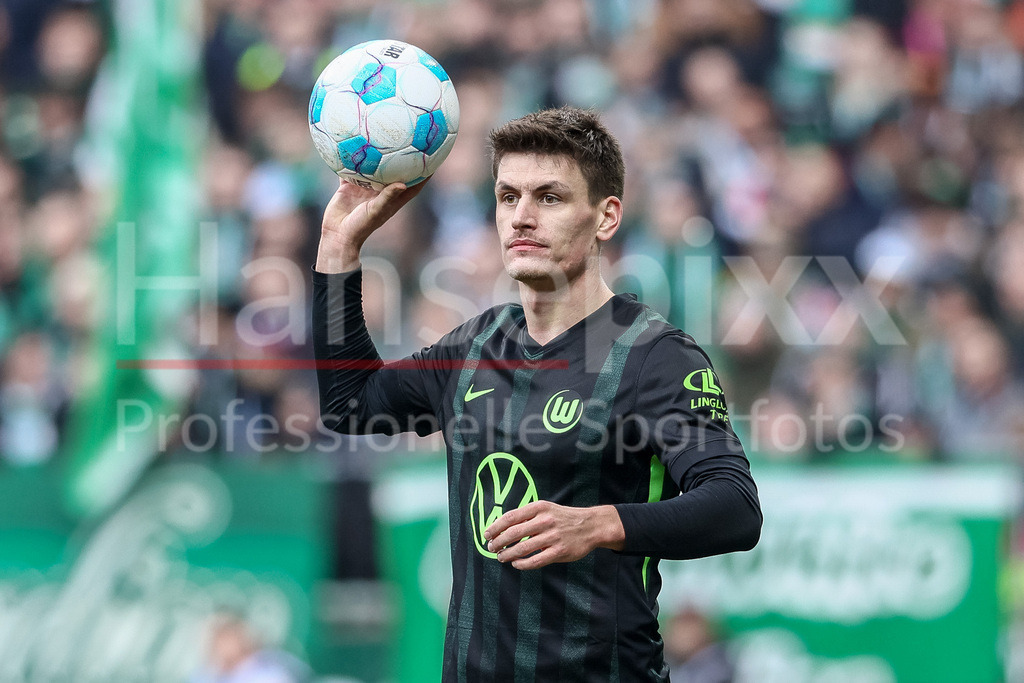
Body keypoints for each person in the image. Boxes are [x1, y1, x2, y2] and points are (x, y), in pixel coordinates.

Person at [312, 106, 761, 681]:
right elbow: (350, 406)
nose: (521, 217)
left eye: (549, 197)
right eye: (508, 197)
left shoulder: (655, 357)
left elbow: (735, 507)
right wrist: (338, 248)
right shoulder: (476, 344)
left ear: (606, 217)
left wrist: (597, 525)